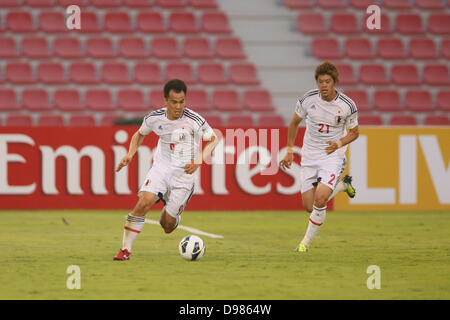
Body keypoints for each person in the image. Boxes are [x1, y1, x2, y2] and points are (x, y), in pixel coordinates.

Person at [113, 79, 218, 261]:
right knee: (143, 202)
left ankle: (172, 213)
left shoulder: (194, 119)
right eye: (174, 102)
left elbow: (213, 139)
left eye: (182, 101)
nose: (179, 106)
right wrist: (130, 154)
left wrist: (199, 160)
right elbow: (139, 134)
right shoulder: (154, 118)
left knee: (167, 224)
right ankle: (125, 250)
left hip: (184, 175)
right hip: (161, 168)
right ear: (165, 101)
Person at [280, 61, 359, 253]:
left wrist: (339, 144)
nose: (323, 85)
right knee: (309, 205)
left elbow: (355, 132)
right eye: (320, 81)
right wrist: (289, 150)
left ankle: (304, 243)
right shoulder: (308, 99)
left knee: (320, 199)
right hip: (309, 156)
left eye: (327, 81)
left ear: (334, 82)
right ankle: (341, 186)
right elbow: (294, 123)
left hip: (332, 156)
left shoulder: (347, 105)